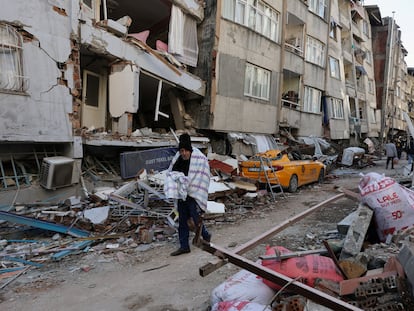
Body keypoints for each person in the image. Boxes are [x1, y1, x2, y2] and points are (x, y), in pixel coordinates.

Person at [164, 133, 211, 256]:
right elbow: (171, 173)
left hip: (193, 195)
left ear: (189, 150)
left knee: (196, 219)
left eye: (185, 151)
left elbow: (203, 176)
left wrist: (190, 186)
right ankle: (184, 246)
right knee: (182, 221)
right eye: (181, 151)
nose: (183, 153)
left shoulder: (199, 159)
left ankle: (206, 235)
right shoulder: (178, 159)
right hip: (182, 195)